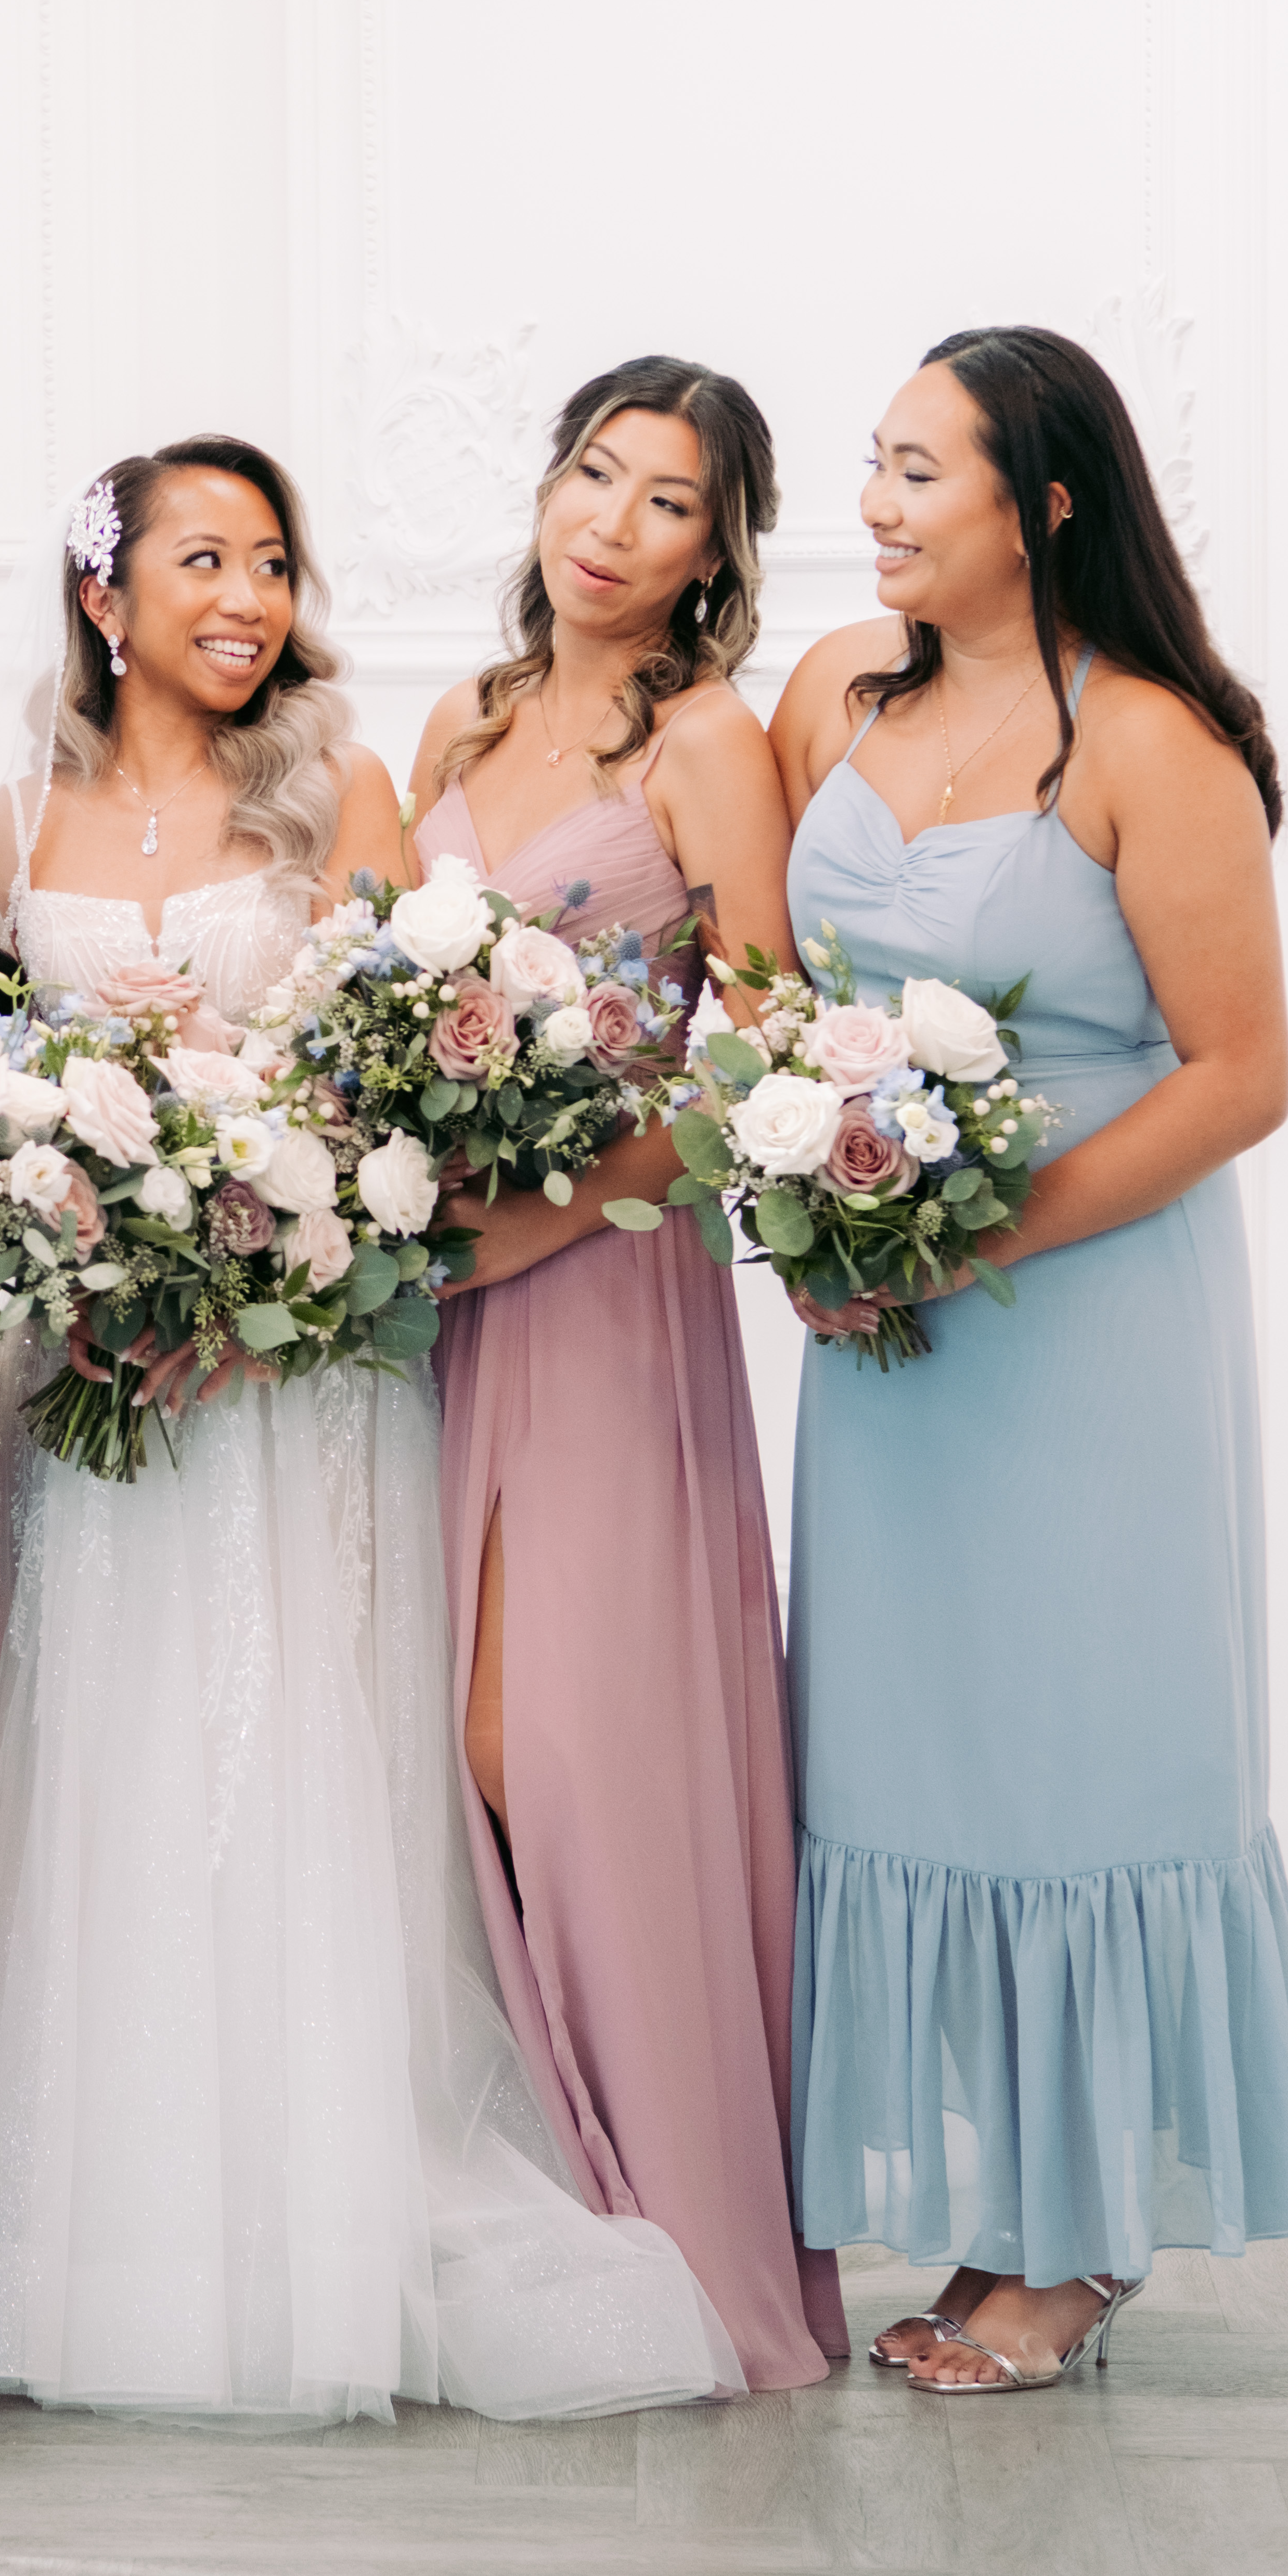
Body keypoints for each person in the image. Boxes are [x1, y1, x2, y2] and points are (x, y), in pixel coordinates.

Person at [0, 435, 740, 2423]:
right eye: (202, 560)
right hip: (102, 1375)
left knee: (311, 1748)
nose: (248, 600)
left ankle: (330, 2206)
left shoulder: (348, 790)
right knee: (116, 1750)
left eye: (273, 563)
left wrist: (248, 1236)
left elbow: (374, 1098)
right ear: (102, 592)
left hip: (298, 1370)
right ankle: (127, 2217)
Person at [770, 324, 1288, 2393]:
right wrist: (810, 1204)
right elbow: (781, 992)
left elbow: (1241, 1075)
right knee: (916, 1755)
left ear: (1046, 502)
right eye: (875, 459)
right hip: (886, 1354)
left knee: (1082, 1745)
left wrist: (965, 1236)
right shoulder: (838, 691)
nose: (876, 502)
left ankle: (1074, 2238)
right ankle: (988, 2211)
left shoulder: (1149, 742)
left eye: (920, 469)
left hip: (1083, 1327)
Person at [406, 360, 844, 2391]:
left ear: (710, 552)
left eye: (667, 501)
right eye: (594, 473)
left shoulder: (706, 741)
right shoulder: (461, 720)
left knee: (570, 1746)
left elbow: (751, 1047)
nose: (612, 523)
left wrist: (548, 1212)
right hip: (431, 1289)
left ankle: (673, 2203)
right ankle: (536, 2175)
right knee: (449, 1739)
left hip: (601, 1284)